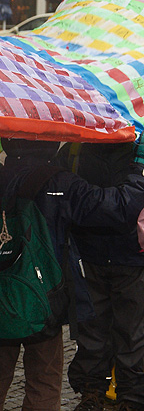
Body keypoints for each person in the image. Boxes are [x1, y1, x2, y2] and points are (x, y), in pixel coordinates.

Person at [0, 138, 144, 411]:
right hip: (45, 297)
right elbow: (116, 207)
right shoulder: (60, 182)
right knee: (44, 380)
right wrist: (138, 173)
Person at [59, 142, 144, 411]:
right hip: (90, 257)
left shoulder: (76, 149)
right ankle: (93, 393)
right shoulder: (74, 150)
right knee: (93, 335)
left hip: (131, 258)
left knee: (131, 335)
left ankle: (130, 400)